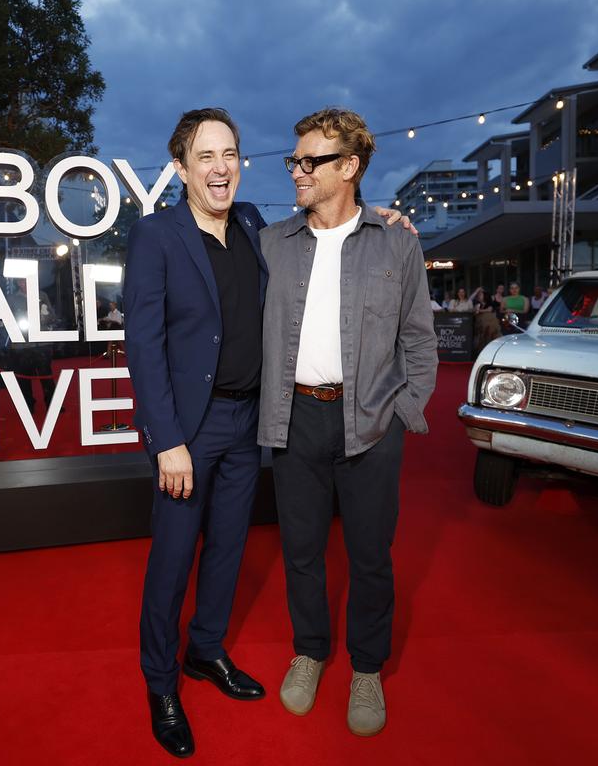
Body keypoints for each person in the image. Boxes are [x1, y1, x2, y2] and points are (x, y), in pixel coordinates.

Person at [124, 107, 410, 758]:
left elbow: (335, 231)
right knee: (172, 560)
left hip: (249, 421)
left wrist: (387, 219)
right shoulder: (156, 236)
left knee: (227, 550)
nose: (222, 168)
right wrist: (165, 439)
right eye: (206, 157)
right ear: (180, 168)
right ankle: (161, 683)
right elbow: (141, 342)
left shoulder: (255, 226)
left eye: (230, 154)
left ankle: (207, 652)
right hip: (187, 431)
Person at [258, 108, 437, 738]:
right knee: (301, 552)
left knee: (370, 556)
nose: (297, 172)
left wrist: (404, 412)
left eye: (311, 162)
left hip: (370, 421)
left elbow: (419, 339)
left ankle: (366, 666)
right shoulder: (271, 243)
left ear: (350, 168)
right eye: (295, 160)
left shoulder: (398, 241)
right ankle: (309, 652)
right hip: (294, 417)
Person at [471, 287, 501, 352]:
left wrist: (479, 310)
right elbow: (471, 301)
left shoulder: (490, 303)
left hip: (490, 327)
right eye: (478, 295)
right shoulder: (477, 304)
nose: (478, 296)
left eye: (480, 294)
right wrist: (476, 291)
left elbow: (489, 310)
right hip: (480, 327)